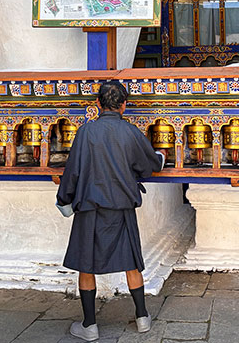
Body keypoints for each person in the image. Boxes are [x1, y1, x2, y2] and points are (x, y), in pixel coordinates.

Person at [56, 80, 165, 341]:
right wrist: (159, 156)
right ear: (124, 106)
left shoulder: (85, 132)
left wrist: (64, 199)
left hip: (90, 208)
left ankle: (90, 325)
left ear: (97, 104)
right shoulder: (130, 132)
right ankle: (141, 318)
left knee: (86, 265)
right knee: (131, 263)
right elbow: (150, 164)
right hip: (122, 207)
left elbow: (73, 171)